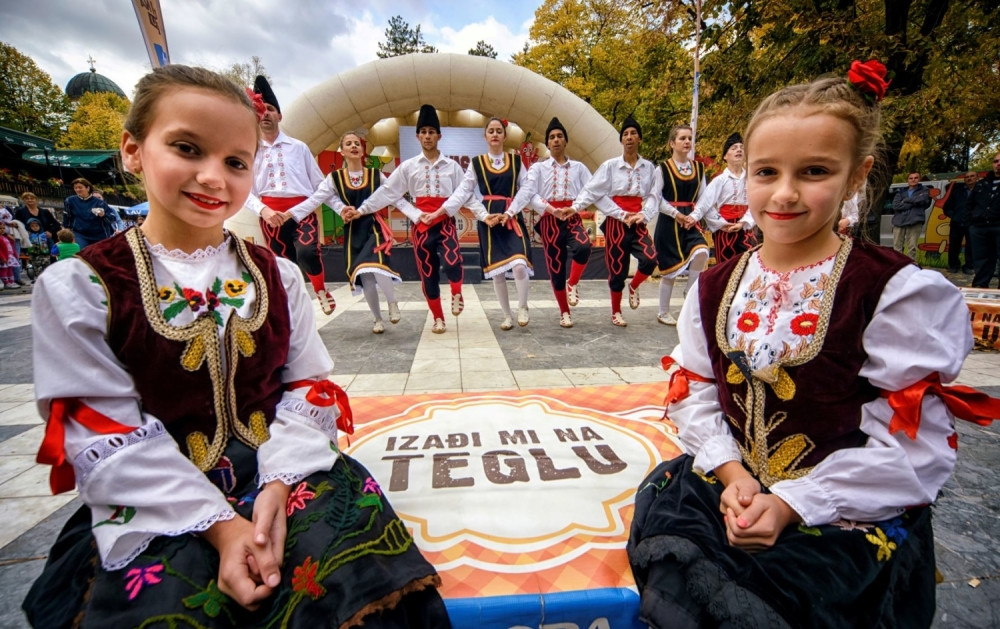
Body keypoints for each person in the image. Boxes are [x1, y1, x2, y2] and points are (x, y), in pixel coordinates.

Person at [23, 64, 450, 628]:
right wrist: (223, 527)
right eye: (186, 148)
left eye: (235, 161)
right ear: (132, 149)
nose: (212, 177)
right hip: (155, 496)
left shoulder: (277, 276)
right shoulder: (82, 286)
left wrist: (276, 485)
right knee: (166, 603)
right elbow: (103, 431)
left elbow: (306, 387)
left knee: (360, 579)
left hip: (284, 472)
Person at [627, 61, 995, 628]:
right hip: (732, 490)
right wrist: (734, 476)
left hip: (838, 514)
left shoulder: (890, 292)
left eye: (816, 171)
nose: (786, 193)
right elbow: (697, 392)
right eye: (766, 171)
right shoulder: (716, 285)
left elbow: (912, 449)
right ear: (743, 172)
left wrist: (794, 503)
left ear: (856, 176)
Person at [356, 104, 466, 334]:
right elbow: (390, 193)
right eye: (423, 132)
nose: (428, 136)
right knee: (428, 273)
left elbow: (463, 193)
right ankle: (438, 318)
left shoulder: (453, 166)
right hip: (421, 226)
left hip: (445, 223)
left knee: (453, 262)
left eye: (431, 132)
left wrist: (443, 211)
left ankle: (457, 291)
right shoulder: (409, 166)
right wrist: (363, 209)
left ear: (439, 136)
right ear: (418, 136)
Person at [287, 131, 404, 334]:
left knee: (376, 266)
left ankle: (392, 303)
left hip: (373, 227)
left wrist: (417, 214)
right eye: (348, 144)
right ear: (342, 151)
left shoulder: (376, 174)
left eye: (357, 143)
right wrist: (291, 214)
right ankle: (377, 318)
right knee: (364, 276)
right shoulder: (335, 178)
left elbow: (394, 196)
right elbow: (317, 199)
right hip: (353, 231)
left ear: (362, 150)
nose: (353, 146)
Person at [243, 76, 335, 315]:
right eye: (260, 110)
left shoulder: (299, 147)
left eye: (270, 109)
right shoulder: (249, 151)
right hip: (271, 216)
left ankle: (321, 289)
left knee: (306, 252)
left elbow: (320, 184)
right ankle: (295, 311)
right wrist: (264, 211)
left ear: (279, 116)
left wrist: (339, 208)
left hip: (301, 212)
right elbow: (245, 191)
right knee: (284, 266)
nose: (265, 114)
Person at [442, 117, 535, 330]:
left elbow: (527, 188)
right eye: (491, 131)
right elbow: (465, 192)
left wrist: (511, 212)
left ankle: (522, 306)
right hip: (490, 220)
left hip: (511, 217)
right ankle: (507, 315)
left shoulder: (516, 162)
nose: (494, 134)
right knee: (498, 271)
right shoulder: (476, 163)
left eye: (498, 131)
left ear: (504, 136)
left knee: (520, 266)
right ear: (485, 136)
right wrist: (484, 215)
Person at [570, 117, 659, 327]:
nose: (629, 137)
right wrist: (575, 207)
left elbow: (655, 196)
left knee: (650, 259)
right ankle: (616, 311)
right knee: (617, 268)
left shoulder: (649, 167)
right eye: (625, 134)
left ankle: (634, 286)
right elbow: (593, 191)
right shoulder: (610, 166)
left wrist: (644, 215)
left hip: (638, 221)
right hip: (616, 223)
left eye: (633, 133)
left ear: (640, 138)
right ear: (621, 140)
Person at [694, 133, 757, 265]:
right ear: (725, 156)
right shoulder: (719, 180)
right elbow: (705, 204)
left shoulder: (752, 180)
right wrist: (721, 223)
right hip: (725, 228)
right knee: (725, 266)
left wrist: (743, 222)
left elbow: (757, 203)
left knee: (749, 262)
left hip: (745, 227)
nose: (739, 150)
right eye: (734, 148)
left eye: (741, 147)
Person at [968, 154, 1000, 288]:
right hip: (979, 227)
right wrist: (972, 222)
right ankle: (980, 287)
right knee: (981, 260)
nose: (998, 164)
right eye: (996, 161)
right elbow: (970, 204)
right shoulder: (982, 183)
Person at [62, 177, 117, 248]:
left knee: (98, 256)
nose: (78, 190)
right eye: (75, 188)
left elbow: (112, 218)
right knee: (82, 253)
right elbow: (67, 216)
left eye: (80, 187)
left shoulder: (100, 202)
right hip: (80, 234)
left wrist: (103, 215)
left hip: (99, 235)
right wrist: (66, 229)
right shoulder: (70, 201)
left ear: (87, 188)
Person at [891, 171, 930, 259]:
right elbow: (896, 205)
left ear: (919, 179)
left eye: (916, 178)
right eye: (911, 178)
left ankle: (911, 266)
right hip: (899, 221)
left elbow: (922, 200)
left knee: (912, 247)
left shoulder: (925, 190)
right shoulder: (901, 192)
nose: (913, 180)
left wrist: (905, 200)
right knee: (897, 247)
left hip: (915, 221)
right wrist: (913, 202)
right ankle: (898, 266)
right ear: (907, 180)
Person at [943, 172, 977, 273]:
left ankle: (969, 267)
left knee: (971, 246)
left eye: (972, 176)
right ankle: (953, 266)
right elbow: (947, 207)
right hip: (957, 223)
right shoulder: (957, 191)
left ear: (977, 178)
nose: (969, 178)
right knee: (954, 245)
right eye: (967, 177)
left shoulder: (981, 191)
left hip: (973, 223)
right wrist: (954, 215)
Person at [0, 221, 17, 288]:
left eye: (3, 228)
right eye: (0, 228)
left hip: (9, 256)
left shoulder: (5, 237)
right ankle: (6, 282)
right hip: (4, 257)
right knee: (4, 270)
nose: (2, 230)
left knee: (10, 269)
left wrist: (14, 254)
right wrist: (2, 257)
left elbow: (11, 246)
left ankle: (11, 282)